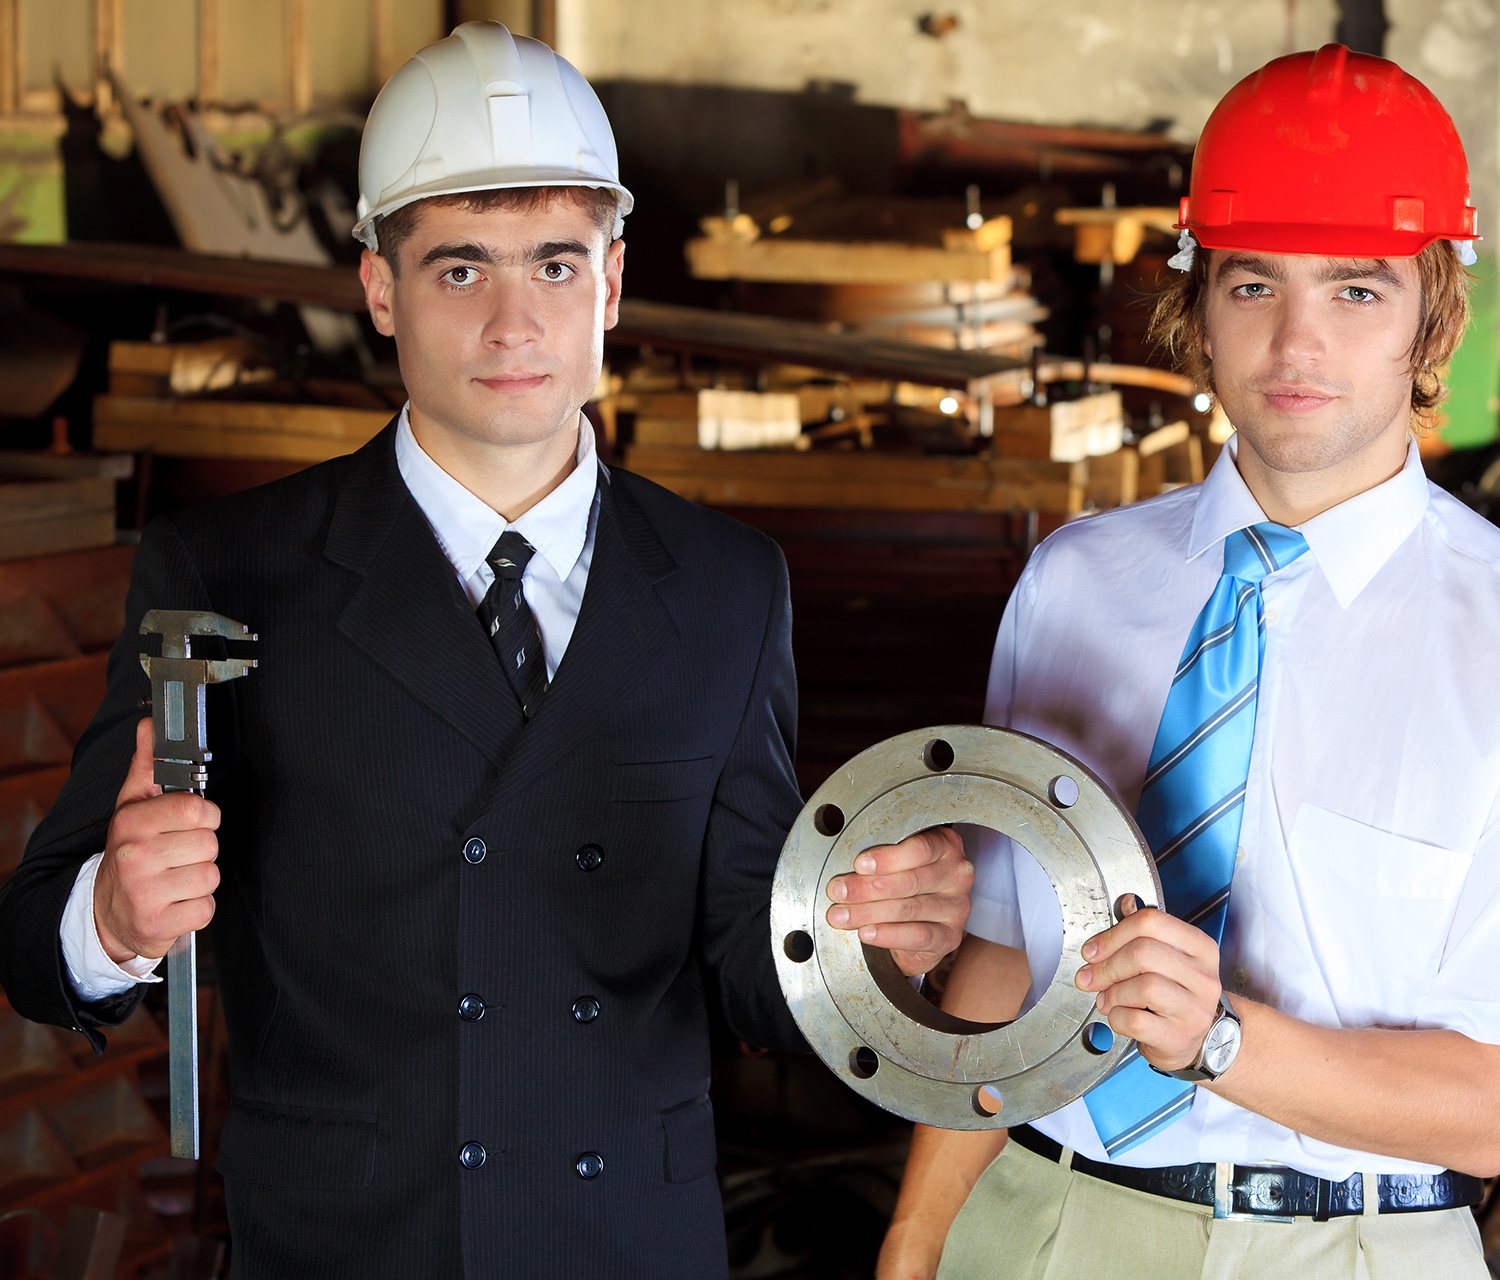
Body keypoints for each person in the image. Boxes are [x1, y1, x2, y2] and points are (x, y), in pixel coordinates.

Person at [0, 23, 971, 1279]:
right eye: (460, 269)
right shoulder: (230, 572)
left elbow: (746, 960)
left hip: (626, 1245)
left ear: (610, 283)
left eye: (555, 264)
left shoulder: (729, 583)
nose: (516, 322)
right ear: (380, 289)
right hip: (352, 1246)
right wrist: (114, 919)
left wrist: (867, 939)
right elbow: (32, 950)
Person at [877, 43, 1499, 1280]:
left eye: (1357, 290)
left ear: (1433, 318)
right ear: (1196, 309)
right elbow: (1009, 958)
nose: (1296, 343)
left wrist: (1222, 1040)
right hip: (1043, 1219)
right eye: (1253, 284)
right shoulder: (1072, 584)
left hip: (1355, 1245)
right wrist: (915, 1239)